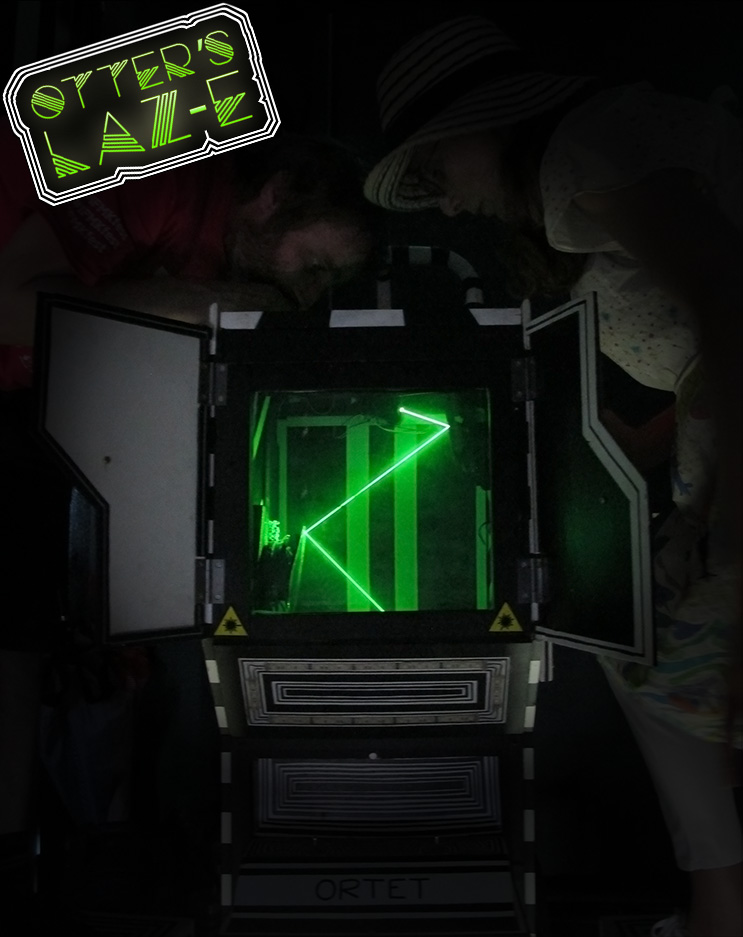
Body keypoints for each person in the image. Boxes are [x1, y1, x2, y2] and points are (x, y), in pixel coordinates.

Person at [364, 16, 741, 937]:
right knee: (652, 653)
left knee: (662, 658)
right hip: (705, 465)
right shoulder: (586, 172)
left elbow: (730, 303)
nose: (442, 204)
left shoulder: (582, 153)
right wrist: (638, 449)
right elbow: (706, 350)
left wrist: (723, 525)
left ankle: (720, 907)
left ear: (483, 125)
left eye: (435, 169)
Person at [0, 124, 383, 920]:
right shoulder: (164, 175)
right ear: (276, 194)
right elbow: (14, 301)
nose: (309, 294)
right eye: (314, 266)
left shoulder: (210, 256)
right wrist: (223, 307)